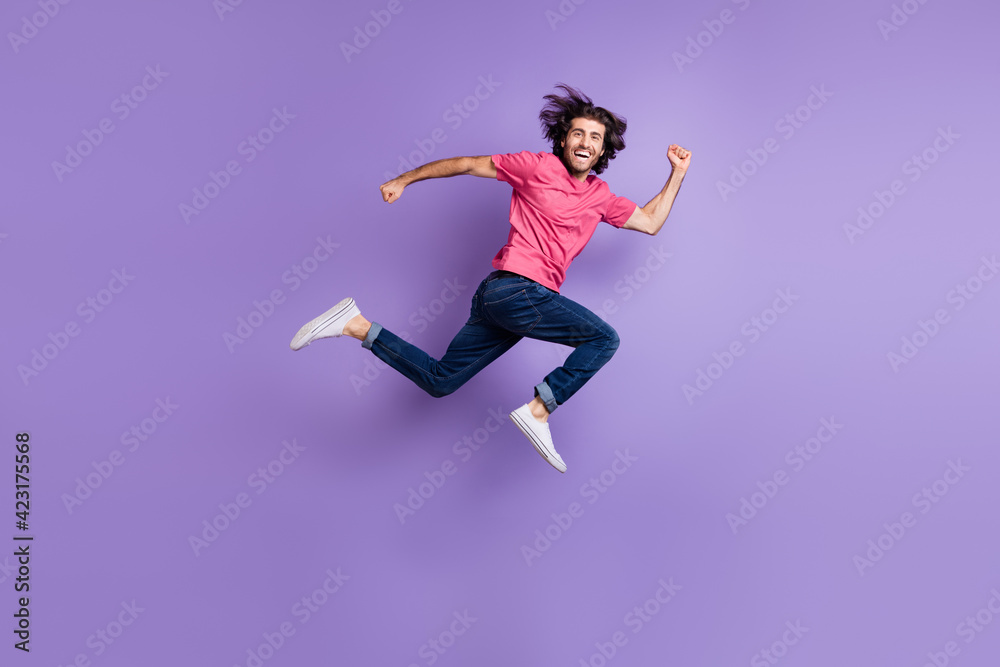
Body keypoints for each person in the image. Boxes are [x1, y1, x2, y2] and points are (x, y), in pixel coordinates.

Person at [290, 84, 690, 473]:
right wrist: (404, 179)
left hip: (504, 302)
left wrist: (677, 173)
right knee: (604, 339)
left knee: (441, 381)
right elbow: (467, 164)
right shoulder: (537, 167)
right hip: (516, 289)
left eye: (595, 138)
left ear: (602, 150)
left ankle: (353, 323)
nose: (585, 142)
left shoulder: (601, 196)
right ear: (564, 140)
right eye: (578, 133)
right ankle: (539, 410)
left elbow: (652, 221)